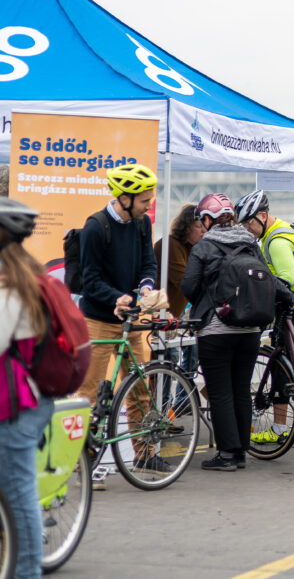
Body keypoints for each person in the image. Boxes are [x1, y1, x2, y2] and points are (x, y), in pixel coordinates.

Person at [181, 194, 294, 471]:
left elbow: (188, 287)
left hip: (216, 329)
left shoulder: (204, 247)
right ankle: (241, 451)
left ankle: (227, 454)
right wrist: (290, 298)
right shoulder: (249, 244)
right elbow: (269, 278)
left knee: (220, 392)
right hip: (250, 329)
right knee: (241, 389)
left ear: (208, 219)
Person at [76, 163, 165, 476]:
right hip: (98, 319)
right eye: (144, 200)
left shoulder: (141, 224)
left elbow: (148, 264)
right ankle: (82, 459)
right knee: (88, 393)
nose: (149, 205)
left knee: (140, 387)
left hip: (131, 319)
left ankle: (144, 454)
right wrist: (116, 296)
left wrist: (145, 287)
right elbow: (89, 280)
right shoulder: (95, 226)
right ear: (124, 197)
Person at [235, 189, 294, 441]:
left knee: (280, 366)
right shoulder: (283, 229)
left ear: (262, 216)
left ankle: (280, 428)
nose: (247, 229)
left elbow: (287, 278)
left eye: (249, 223)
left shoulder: (276, 241)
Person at [0, 199, 55, 578]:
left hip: (16, 404)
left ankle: (25, 572)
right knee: (19, 496)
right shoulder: (29, 274)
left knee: (19, 501)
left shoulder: (10, 285)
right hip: (30, 397)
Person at [154, 203, 204, 318]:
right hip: (160, 316)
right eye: (198, 226)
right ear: (186, 227)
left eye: (205, 227)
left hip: (172, 315)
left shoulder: (192, 247)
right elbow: (183, 281)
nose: (203, 231)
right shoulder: (170, 245)